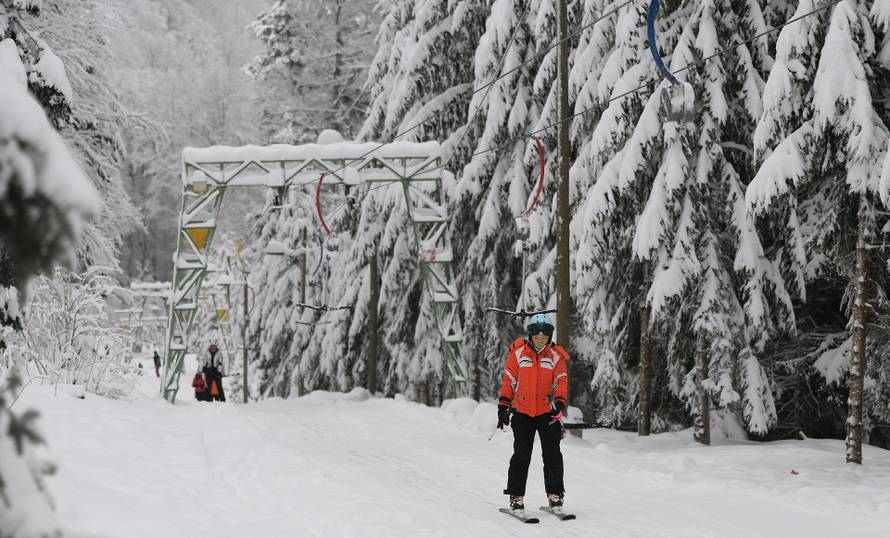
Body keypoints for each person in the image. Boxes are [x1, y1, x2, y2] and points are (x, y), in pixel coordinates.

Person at [497, 313, 569, 518]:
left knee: (553, 455)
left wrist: (560, 404)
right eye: (536, 335)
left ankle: (555, 496)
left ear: (549, 335)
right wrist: (503, 406)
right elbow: (509, 380)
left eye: (544, 335)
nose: (540, 338)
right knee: (521, 456)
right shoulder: (519, 354)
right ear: (530, 335)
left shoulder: (556, 357)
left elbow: (561, 382)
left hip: (547, 413)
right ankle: (516, 497)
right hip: (522, 413)